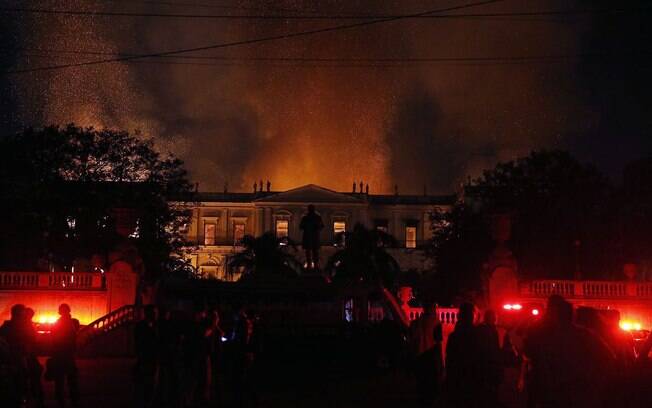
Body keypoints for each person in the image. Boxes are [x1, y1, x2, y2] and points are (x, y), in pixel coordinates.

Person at [522, 295, 615, 408]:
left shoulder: (542, 334)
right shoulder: (584, 335)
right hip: (574, 393)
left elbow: (528, 352)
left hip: (553, 393)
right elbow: (608, 358)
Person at [408, 302, 443, 407]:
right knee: (431, 389)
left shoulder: (414, 323)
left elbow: (411, 343)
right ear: (432, 309)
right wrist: (441, 362)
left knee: (421, 388)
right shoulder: (436, 323)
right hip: (431, 358)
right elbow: (438, 343)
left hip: (419, 358)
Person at [445, 302, 479, 408]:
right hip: (472, 379)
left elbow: (449, 358)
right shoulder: (478, 335)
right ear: (472, 316)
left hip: (458, 379)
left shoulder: (454, 336)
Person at [51, 303, 80, 408]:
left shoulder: (59, 323)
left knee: (61, 380)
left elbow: (54, 337)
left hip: (61, 354)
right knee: (70, 379)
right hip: (68, 354)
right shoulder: (73, 322)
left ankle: (62, 401)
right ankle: (73, 400)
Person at [474, 309, 503, 408]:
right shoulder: (495, 331)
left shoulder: (479, 330)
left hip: (485, 366)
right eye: (494, 317)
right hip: (489, 366)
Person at [134, 305, 158, 408]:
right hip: (145, 360)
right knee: (144, 385)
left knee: (151, 385)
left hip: (152, 360)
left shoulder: (154, 326)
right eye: (154, 313)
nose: (156, 315)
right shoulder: (142, 327)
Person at [299, 204, 324, 269]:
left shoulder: (306, 218)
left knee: (311, 251)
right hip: (313, 236)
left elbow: (301, 227)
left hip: (309, 236)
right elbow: (322, 226)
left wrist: (308, 227)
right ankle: (313, 265)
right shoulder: (316, 217)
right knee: (313, 251)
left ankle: (312, 265)